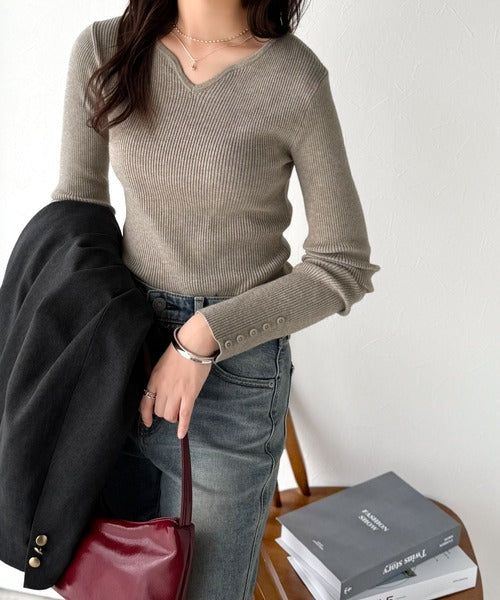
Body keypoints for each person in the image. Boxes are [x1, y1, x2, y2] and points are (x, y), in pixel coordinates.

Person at [49, 1, 381, 598]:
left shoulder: (294, 79)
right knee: (107, 584)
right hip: (116, 357)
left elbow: (343, 265)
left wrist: (202, 336)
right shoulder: (106, 49)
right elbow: (76, 216)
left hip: (233, 376)